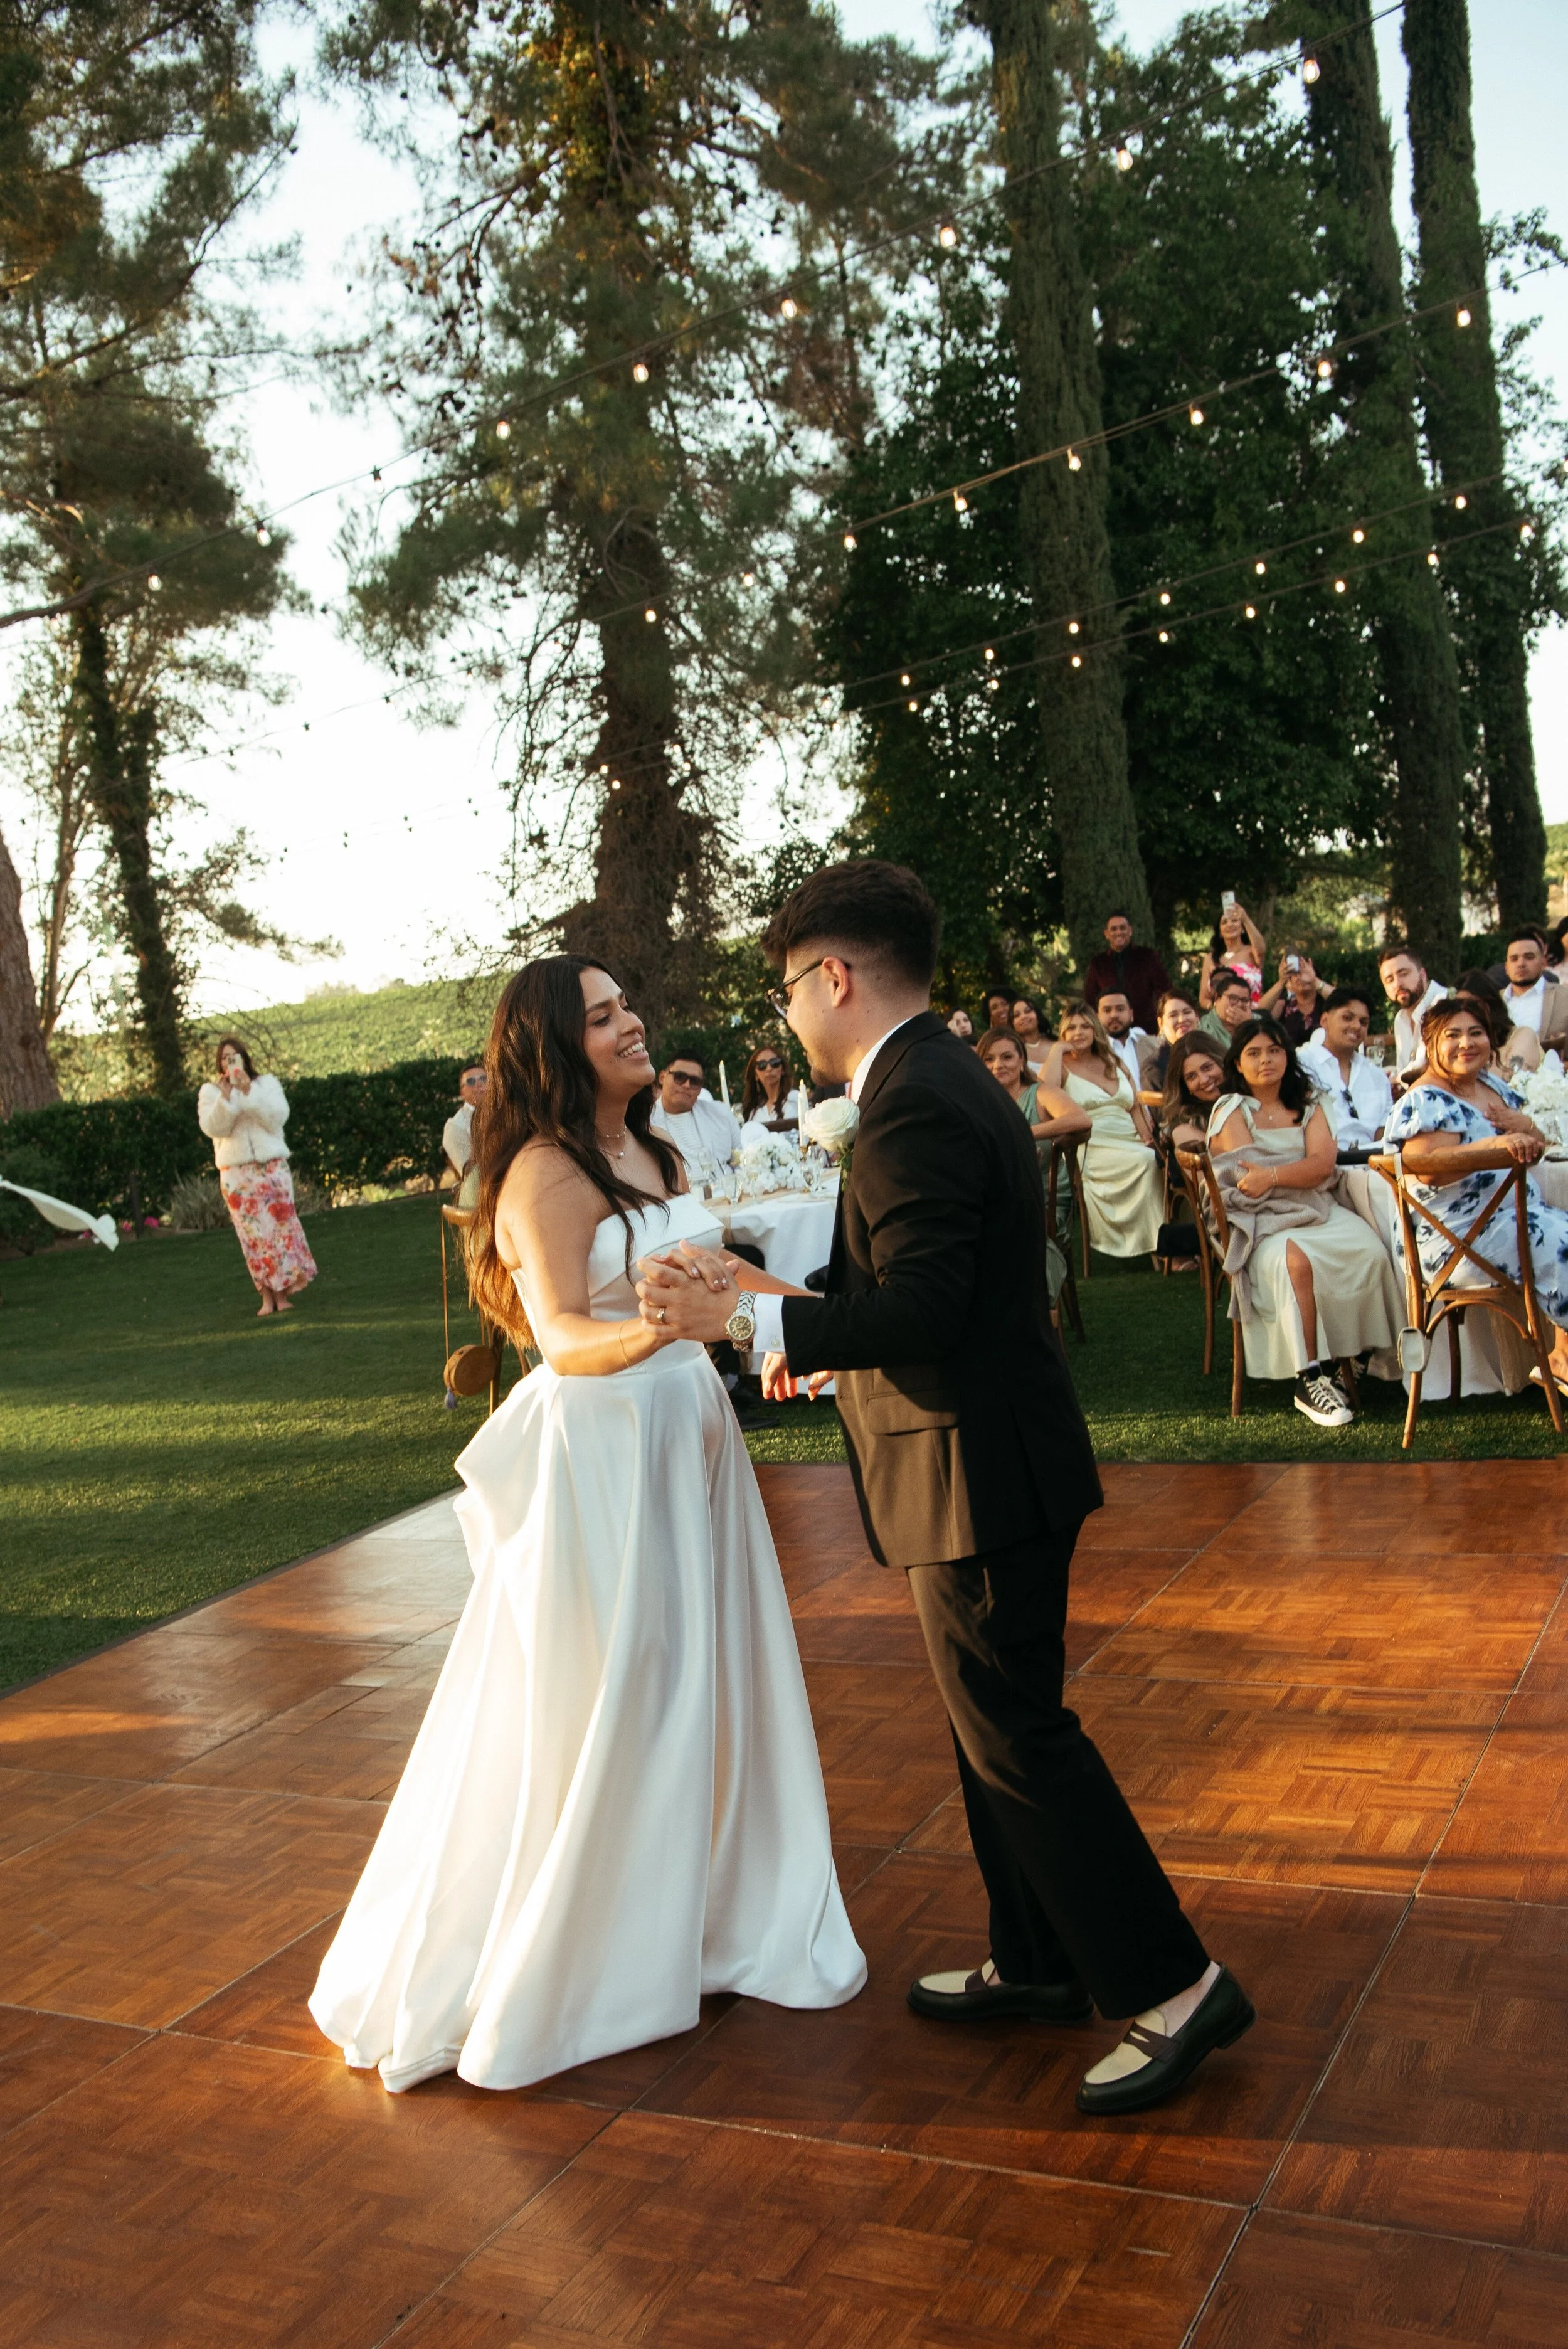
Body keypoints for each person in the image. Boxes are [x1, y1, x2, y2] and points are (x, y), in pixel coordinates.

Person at [639, 859, 1253, 2116]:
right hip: (987, 1453)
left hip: (973, 1466)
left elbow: (915, 1307)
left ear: (833, 975)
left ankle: (1177, 1987)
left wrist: (749, 1330)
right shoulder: (933, 1075)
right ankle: (1034, 1961)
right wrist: (772, 1311)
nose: (787, 1022)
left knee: (1019, 1737)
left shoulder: (911, 1098)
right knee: (993, 1732)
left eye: (787, 995)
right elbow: (942, 1294)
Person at [309, 956, 866, 2092]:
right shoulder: (541, 1174)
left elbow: (716, 1276)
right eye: (602, 1015)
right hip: (606, 1449)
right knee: (624, 1683)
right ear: (557, 1045)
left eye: (628, 1007)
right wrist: (668, 1334)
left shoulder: (653, 1153)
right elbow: (561, 1338)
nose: (630, 1024)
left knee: (702, 1670)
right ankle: (592, 1945)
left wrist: (841, 1320)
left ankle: (707, 1912)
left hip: (686, 1433)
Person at [1207, 1017, 1401, 1426]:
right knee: (1297, 1263)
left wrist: (1278, 1175)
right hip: (1259, 1221)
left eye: (1274, 1050)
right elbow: (1249, 1176)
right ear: (1238, 1064)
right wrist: (1298, 1170)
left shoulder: (1312, 1100)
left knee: (1370, 1250)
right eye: (1254, 1053)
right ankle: (1309, 1374)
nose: (1266, 1060)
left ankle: (1356, 1354)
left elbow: (1320, 1164)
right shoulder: (1230, 1108)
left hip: (1317, 1207)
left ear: (1288, 1055)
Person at [1384, 998, 1568, 1395]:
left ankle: (1562, 1355)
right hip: (1456, 1237)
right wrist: (1499, 1147)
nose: (1466, 1043)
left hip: (1510, 1219)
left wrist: (1527, 1127)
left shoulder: (1490, 1087)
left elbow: (1529, 1147)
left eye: (1476, 1033)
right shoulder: (1426, 1099)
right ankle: (1562, 1359)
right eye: (1452, 1035)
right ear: (1429, 1043)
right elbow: (1426, 1165)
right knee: (1562, 1243)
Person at [196, 1038, 318, 1318]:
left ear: (244, 1058)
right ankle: (266, 1295)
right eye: (225, 1058)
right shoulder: (211, 1092)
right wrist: (227, 1099)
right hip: (237, 1175)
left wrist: (249, 1092)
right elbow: (214, 1129)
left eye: (235, 1056)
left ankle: (283, 1292)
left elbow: (277, 1119)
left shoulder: (266, 1085)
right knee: (253, 1237)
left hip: (271, 1170)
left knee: (280, 1232)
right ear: (220, 1063)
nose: (230, 1061)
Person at [1041, 1002, 1163, 1258]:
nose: (1078, 1033)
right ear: (1062, 1033)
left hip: (1128, 1136)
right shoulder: (1060, 1066)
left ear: (1095, 1029)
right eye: (1071, 1028)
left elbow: (1134, 1107)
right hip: (1091, 1144)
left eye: (1085, 1026)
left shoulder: (1112, 1060)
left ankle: (1167, 1239)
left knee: (1157, 1158)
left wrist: (1147, 1137)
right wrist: (1057, 1051)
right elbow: (1045, 1092)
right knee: (1146, 1162)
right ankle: (1158, 1247)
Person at [977, 1027, 1087, 1310]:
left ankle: (1028, 1311)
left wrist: (1024, 1133)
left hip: (1046, 1201)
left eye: (1006, 1057)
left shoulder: (1040, 1093)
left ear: (1022, 1060)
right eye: (988, 1059)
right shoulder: (981, 1104)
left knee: (1004, 1231)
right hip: (997, 1197)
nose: (998, 1065)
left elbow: (1080, 1120)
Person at [1297, 986, 1392, 1150]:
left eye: (1364, 1022)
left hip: (1372, 1165)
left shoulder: (1376, 1075)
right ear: (1324, 1021)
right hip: (1322, 1163)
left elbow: (1383, 1132)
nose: (1357, 1026)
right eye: (1347, 1018)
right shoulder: (1301, 1064)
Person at [649, 1049, 742, 1182]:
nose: (687, 1085)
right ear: (663, 1078)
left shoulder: (720, 1113)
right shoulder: (646, 1123)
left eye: (695, 1081)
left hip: (725, 1194)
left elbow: (743, 1158)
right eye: (680, 1077)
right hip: (678, 1199)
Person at [1083, 911, 1170, 1034]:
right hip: (1109, 1030)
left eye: (1122, 928)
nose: (1119, 932)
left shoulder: (1148, 957)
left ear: (1130, 931)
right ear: (1107, 934)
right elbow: (1090, 1000)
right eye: (1114, 929)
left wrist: (1164, 1021)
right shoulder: (1098, 963)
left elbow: (1165, 992)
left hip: (1145, 1028)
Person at [1379, 945, 1448, 1082]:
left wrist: (1391, 1081)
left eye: (1404, 974)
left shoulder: (1443, 1003)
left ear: (1423, 975)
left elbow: (1423, 1068)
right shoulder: (1400, 1019)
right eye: (1389, 980)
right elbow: (1403, 1068)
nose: (1397, 984)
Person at [1455, 968, 1539, 1071]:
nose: (1465, 1011)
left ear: (1490, 1005)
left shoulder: (1522, 1035)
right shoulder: (1461, 1046)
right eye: (1459, 1006)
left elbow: (1516, 1079)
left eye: (1472, 1004)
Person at [1499, 927, 1568, 1053]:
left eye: (1529, 957)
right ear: (1506, 968)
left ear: (1543, 963)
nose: (1521, 964)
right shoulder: (1492, 1002)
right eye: (1514, 959)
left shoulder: (1564, 998)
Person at [1158, 1032, 1227, 1150]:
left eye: (1207, 1068)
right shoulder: (1185, 1126)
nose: (1204, 1080)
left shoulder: (1251, 1096)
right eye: (1192, 1077)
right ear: (1185, 1087)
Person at [1199, 900, 1266, 1007]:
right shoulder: (1210, 958)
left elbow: (1262, 949)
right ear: (1220, 932)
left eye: (1234, 921)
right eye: (1224, 922)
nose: (1229, 924)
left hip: (1251, 1016)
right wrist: (1217, 1009)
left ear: (1243, 928)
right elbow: (1203, 998)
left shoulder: (1251, 952)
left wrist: (1245, 918)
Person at [1261, 953, 1330, 1047]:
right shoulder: (1283, 1005)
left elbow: (1345, 1000)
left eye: (1305, 973)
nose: (1300, 977)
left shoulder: (1327, 1003)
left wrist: (1314, 981)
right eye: (1296, 973)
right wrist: (1281, 982)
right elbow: (1258, 1013)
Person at [1094, 988, 1157, 1091]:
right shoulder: (1093, 1051)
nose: (1114, 1015)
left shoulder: (1154, 1046)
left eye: (1120, 1009)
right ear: (1097, 1017)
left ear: (1131, 1014)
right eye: (1107, 1010)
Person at [442, 1064, 487, 1200]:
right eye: (471, 1081)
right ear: (462, 1092)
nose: (479, 1084)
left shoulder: (506, 1113)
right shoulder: (455, 1126)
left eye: (484, 1079)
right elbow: (471, 1174)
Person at [739, 1041, 802, 1135]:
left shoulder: (796, 1099)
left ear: (783, 1070)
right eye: (762, 1065)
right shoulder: (754, 1112)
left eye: (775, 1063)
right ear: (755, 1075)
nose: (769, 1069)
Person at [1148, 992, 1200, 1088]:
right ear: (1161, 1023)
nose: (1182, 1020)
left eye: (1187, 1012)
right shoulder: (1156, 1067)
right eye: (1173, 1015)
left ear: (1197, 1016)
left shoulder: (1212, 1049)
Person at [1200, 970, 1255, 1052]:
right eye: (1233, 998)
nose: (1239, 1004)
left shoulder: (1258, 1021)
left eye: (1244, 1000)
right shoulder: (1202, 1028)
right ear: (1217, 999)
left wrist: (1248, 1026)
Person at [1009, 995, 1052, 1074]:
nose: (1023, 1017)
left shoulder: (1056, 1043)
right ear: (1012, 1024)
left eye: (1028, 1011)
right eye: (1016, 1015)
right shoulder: (1013, 1052)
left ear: (1038, 1016)